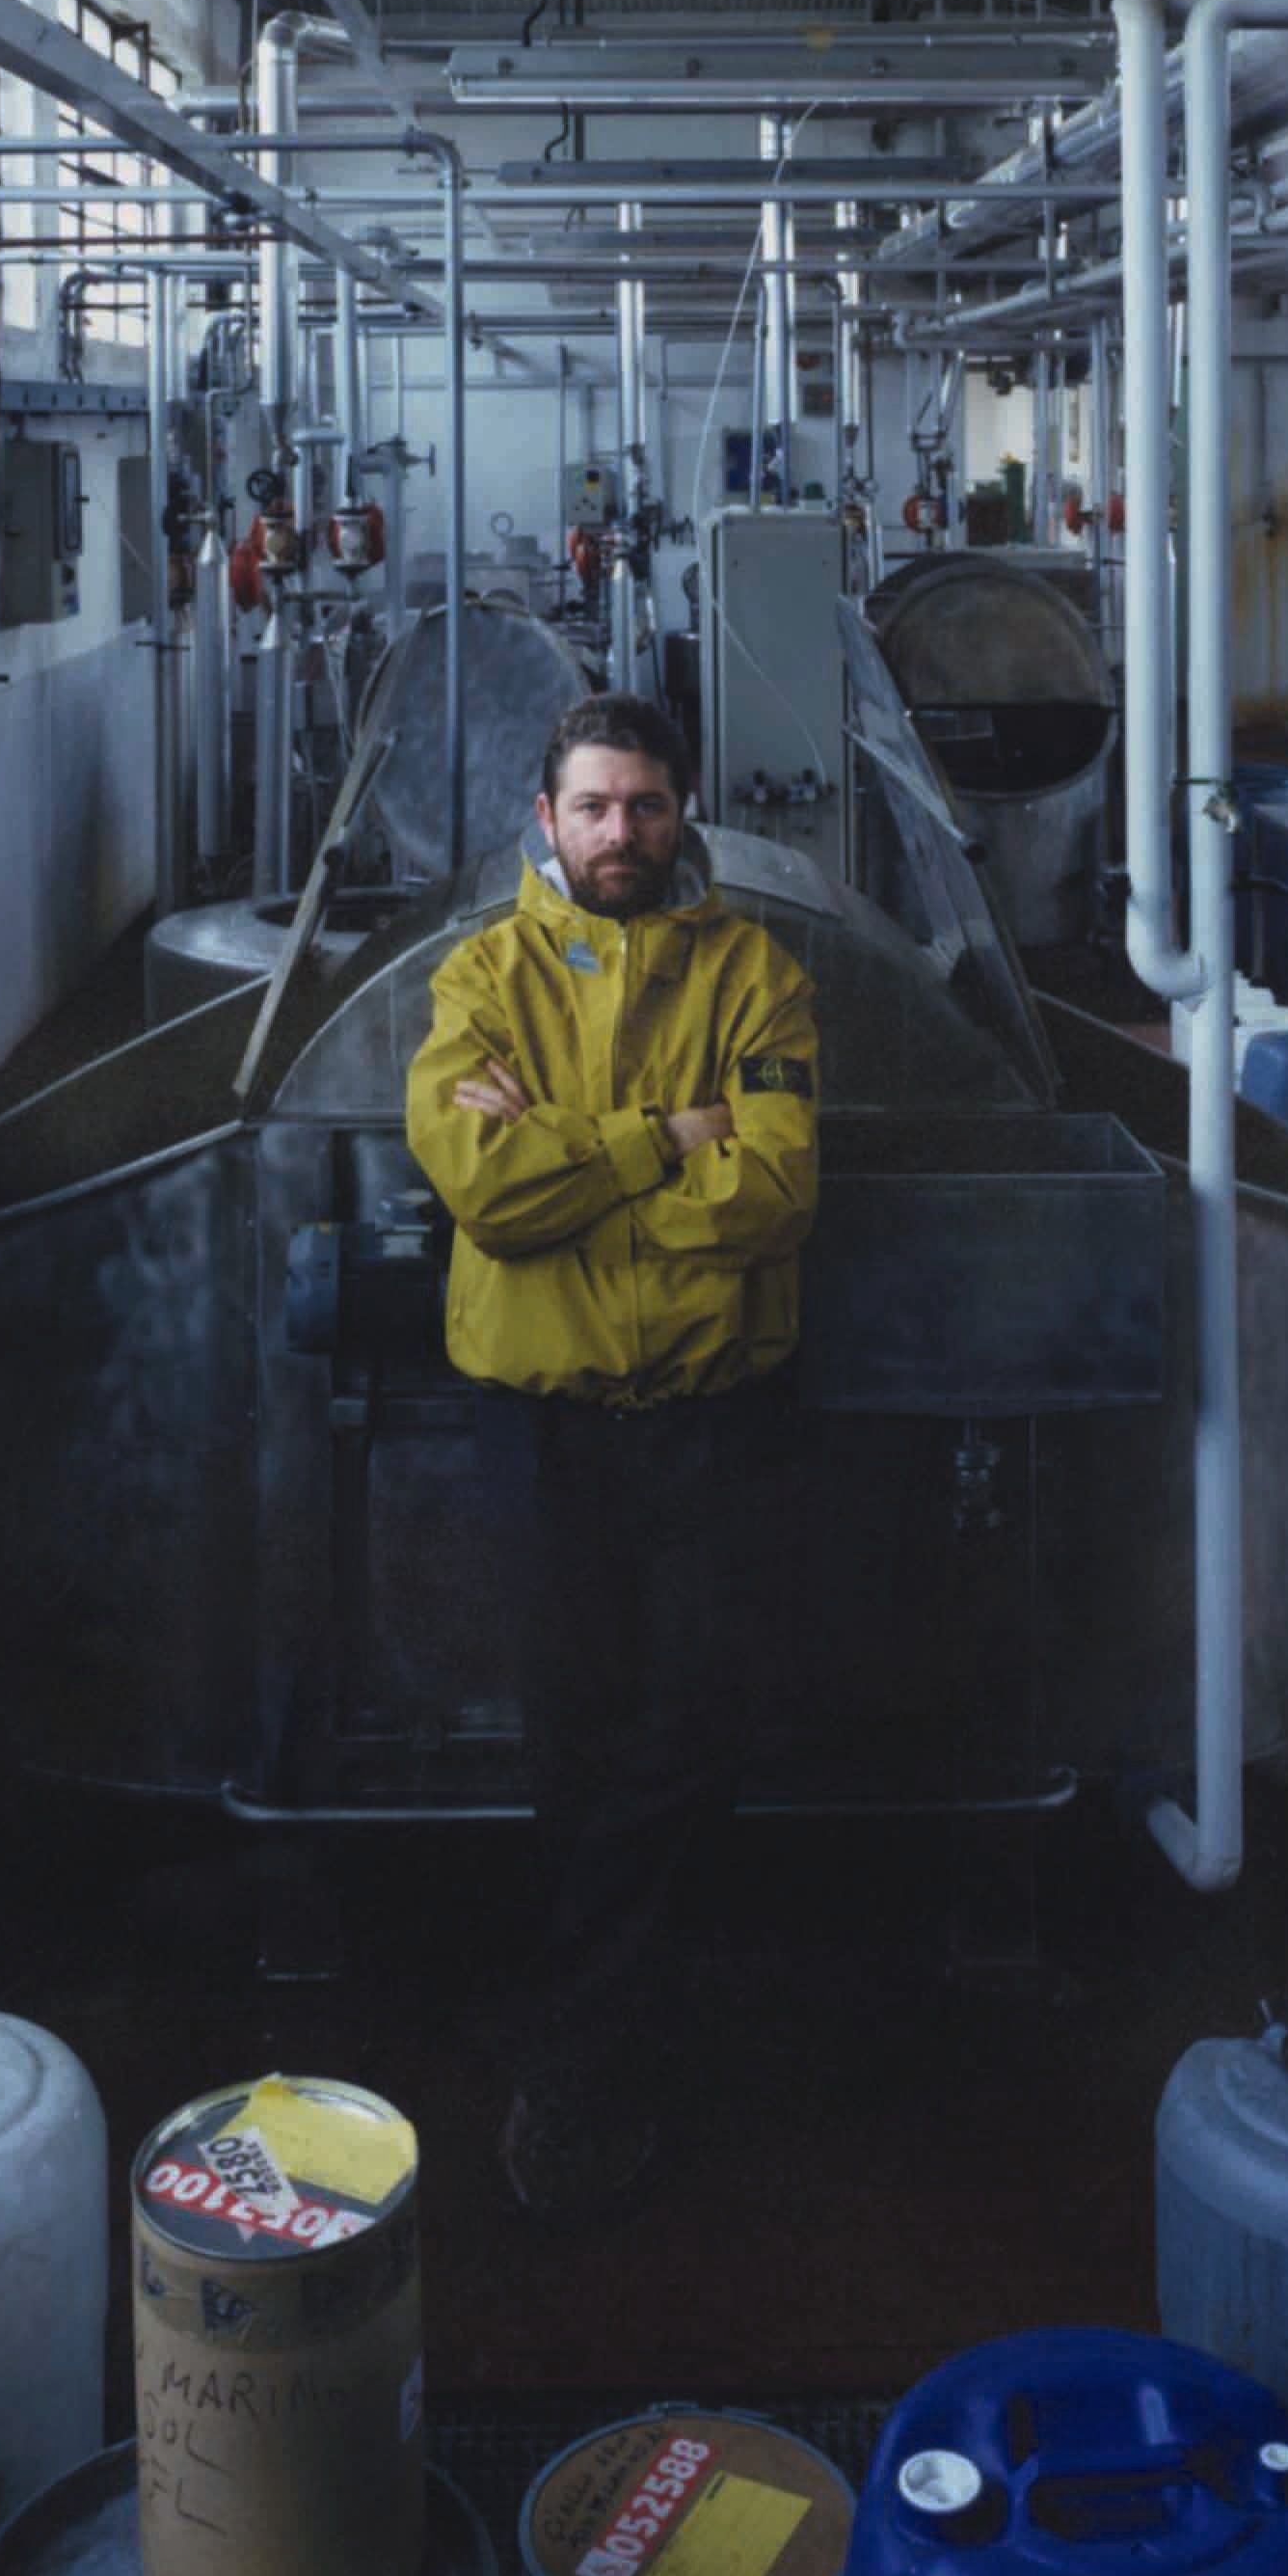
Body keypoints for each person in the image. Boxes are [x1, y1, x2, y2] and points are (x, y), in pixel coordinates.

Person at [404, 694, 820, 2214]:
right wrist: (664, 1138)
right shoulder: (480, 979)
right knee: (573, 1734)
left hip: (715, 1415)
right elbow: (487, 1193)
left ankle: (575, 2033)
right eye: (591, 807)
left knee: (700, 1723)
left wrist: (573, 1165)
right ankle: (602, 2044)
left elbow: (775, 1193)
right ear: (545, 818)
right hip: (547, 1426)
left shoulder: (756, 974)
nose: (619, 833)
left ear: (682, 811)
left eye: (644, 805)